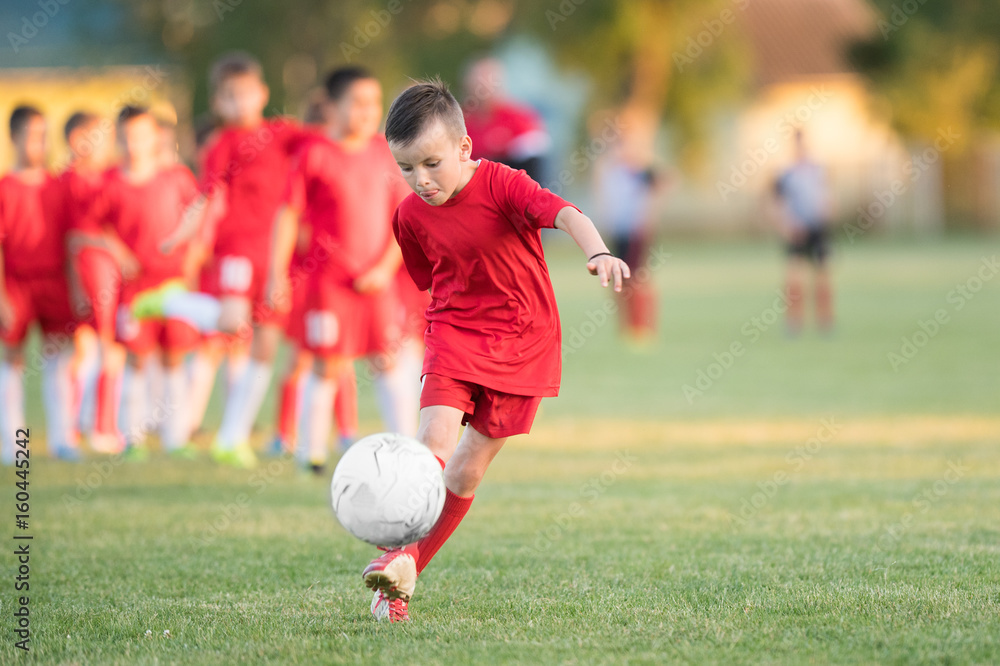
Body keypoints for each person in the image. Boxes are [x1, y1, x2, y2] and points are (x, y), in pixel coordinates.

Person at [361, 79, 630, 623]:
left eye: (432, 164)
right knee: (433, 439)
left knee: (466, 471)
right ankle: (397, 552)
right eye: (407, 169)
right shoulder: (409, 217)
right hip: (454, 334)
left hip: (522, 344)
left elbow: (568, 213)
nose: (421, 181)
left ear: (464, 148)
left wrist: (598, 251)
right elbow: (429, 281)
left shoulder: (505, 184)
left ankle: (408, 565)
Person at [158, 51, 309, 468]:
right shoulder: (221, 144)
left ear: (261, 93)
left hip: (279, 251)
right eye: (229, 96)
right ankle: (171, 302)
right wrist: (177, 238)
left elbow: (320, 142)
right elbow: (205, 198)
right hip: (237, 249)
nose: (238, 102)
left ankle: (232, 436)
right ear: (218, 102)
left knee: (267, 340)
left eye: (245, 93)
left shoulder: (282, 133)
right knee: (231, 323)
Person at [267, 66, 415, 473]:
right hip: (328, 283)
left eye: (374, 103)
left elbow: (402, 219)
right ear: (332, 107)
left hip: (377, 282)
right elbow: (288, 215)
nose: (368, 112)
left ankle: (407, 452)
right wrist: (274, 275)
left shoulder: (386, 154)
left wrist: (385, 269)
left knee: (388, 358)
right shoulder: (313, 155)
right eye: (358, 104)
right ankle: (310, 453)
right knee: (326, 362)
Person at [86, 106, 201, 458]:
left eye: (141, 135)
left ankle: (176, 437)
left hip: (174, 285)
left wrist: (181, 242)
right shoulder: (109, 182)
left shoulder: (176, 177)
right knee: (136, 358)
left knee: (174, 357)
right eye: (127, 136)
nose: (134, 144)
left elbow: (198, 209)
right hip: (135, 288)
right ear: (118, 138)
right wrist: (120, 254)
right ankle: (132, 437)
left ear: (155, 137)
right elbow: (95, 227)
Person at [0, 105, 80, 463]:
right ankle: (13, 444)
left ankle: (64, 438)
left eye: (44, 136)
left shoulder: (58, 186)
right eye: (33, 136)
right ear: (14, 138)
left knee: (59, 360)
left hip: (54, 283)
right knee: (12, 361)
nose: (40, 143)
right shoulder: (4, 187)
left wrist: (76, 288)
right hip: (16, 283)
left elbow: (70, 240)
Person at [61, 111, 122, 454]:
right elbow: (79, 234)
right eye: (102, 136)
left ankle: (76, 425)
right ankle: (101, 428)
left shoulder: (106, 175)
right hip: (92, 269)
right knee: (105, 347)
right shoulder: (76, 181)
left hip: (96, 268)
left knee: (86, 350)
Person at [773, 130, 834, 335]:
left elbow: (828, 198)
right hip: (796, 230)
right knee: (793, 278)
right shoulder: (786, 174)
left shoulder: (818, 170)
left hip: (817, 228)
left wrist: (825, 213)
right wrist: (787, 225)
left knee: (822, 276)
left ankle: (825, 321)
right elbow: (777, 204)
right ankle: (794, 323)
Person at [462, 57, 550, 182]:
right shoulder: (460, 119)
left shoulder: (519, 117)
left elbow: (533, 162)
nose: (484, 88)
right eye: (478, 82)